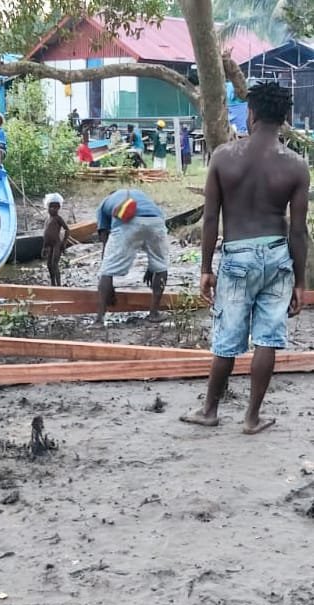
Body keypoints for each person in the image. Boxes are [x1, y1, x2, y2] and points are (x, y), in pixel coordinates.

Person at [180, 82, 310, 435]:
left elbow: (210, 218)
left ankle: (210, 410)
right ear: (284, 117)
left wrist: (205, 269)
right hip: (277, 256)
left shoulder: (224, 156)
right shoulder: (296, 166)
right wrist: (300, 282)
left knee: (227, 338)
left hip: (237, 254)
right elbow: (299, 231)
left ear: (250, 114)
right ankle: (252, 418)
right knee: (267, 338)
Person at [95, 188, 169, 325]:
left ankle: (99, 320)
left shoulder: (104, 203)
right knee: (160, 265)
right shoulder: (140, 195)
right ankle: (154, 313)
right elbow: (147, 227)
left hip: (128, 222)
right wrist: (152, 268)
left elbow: (104, 239)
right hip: (156, 220)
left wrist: (107, 274)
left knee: (106, 270)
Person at [41, 193, 70, 287]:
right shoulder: (47, 219)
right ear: (47, 207)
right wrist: (44, 247)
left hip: (57, 244)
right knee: (49, 265)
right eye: (51, 207)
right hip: (49, 245)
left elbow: (67, 229)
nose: (53, 209)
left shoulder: (58, 218)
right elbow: (46, 234)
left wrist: (64, 242)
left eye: (55, 207)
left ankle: (59, 284)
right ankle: (53, 283)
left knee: (54, 264)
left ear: (59, 208)